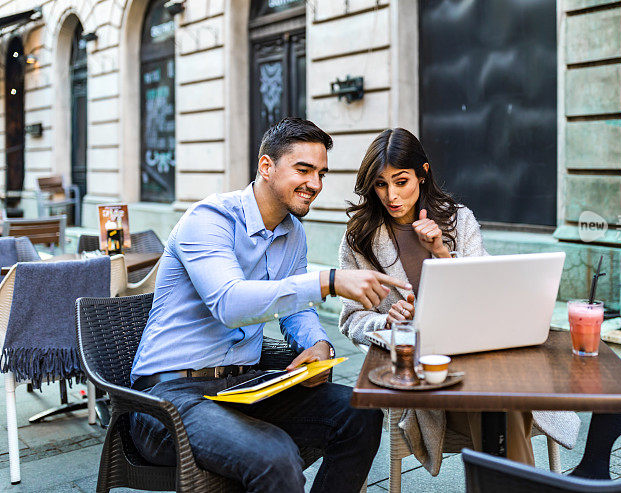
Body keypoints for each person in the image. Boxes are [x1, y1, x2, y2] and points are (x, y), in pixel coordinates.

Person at [129, 118, 411, 493]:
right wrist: (328, 281)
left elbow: (297, 310)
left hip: (244, 388)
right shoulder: (209, 218)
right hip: (167, 399)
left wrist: (318, 346)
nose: (315, 184)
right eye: (303, 169)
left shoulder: (293, 233)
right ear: (266, 166)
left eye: (321, 173)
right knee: (274, 455)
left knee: (360, 411)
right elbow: (229, 303)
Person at [338, 128, 579, 473]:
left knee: (501, 401)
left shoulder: (457, 219)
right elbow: (350, 320)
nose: (391, 195)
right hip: (426, 378)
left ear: (423, 174)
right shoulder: (359, 238)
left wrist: (441, 253)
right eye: (380, 184)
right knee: (504, 406)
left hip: (480, 359)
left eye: (401, 181)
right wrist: (386, 321)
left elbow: (487, 295)